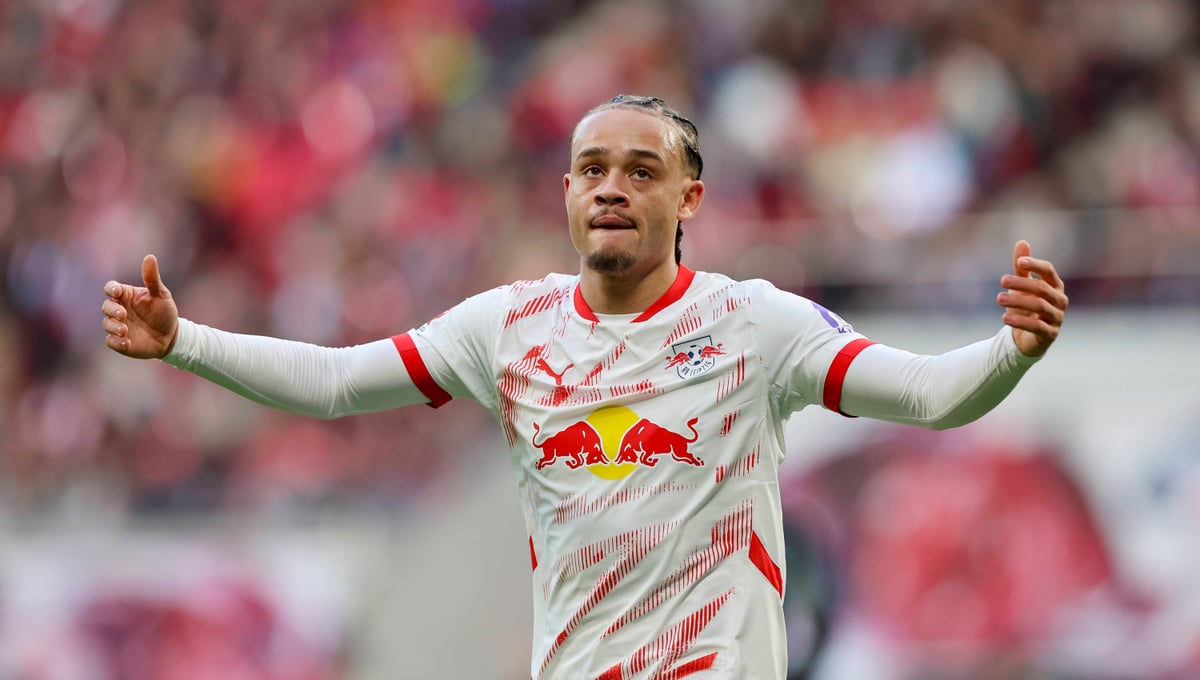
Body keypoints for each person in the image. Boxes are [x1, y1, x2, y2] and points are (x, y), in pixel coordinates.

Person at [101, 94, 1068, 679]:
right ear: (566, 193)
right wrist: (185, 343)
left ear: (688, 200)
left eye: (641, 171)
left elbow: (929, 395)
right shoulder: (507, 328)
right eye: (592, 169)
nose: (611, 186)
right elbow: (336, 383)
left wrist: (1012, 351)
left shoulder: (754, 324)